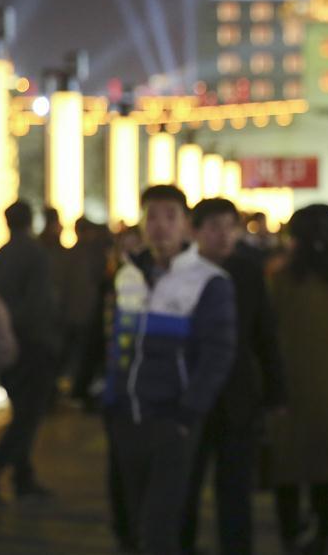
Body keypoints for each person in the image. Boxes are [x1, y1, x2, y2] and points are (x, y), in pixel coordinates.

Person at [103, 185, 236, 555]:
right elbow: (116, 341)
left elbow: (218, 353)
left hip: (172, 416)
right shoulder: (128, 275)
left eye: (170, 216)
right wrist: (110, 399)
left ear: (186, 226)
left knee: (160, 523)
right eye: (152, 217)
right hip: (127, 415)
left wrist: (189, 410)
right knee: (130, 518)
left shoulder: (208, 282)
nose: (160, 226)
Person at [180, 198, 285, 555]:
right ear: (195, 231)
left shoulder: (248, 271)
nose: (223, 235)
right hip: (189, 394)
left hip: (238, 395)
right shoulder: (181, 273)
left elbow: (266, 335)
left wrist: (276, 393)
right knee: (184, 487)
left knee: (236, 491)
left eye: (229, 227)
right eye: (213, 227)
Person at [268, 204, 328, 555]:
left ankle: (290, 536)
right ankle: (326, 535)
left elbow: (267, 334)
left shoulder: (279, 278)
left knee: (288, 467)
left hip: (288, 386)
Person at [0, 199, 62, 502]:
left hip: (7, 347)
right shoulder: (35, 254)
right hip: (32, 346)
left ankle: (22, 475)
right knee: (28, 416)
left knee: (22, 412)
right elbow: (40, 305)